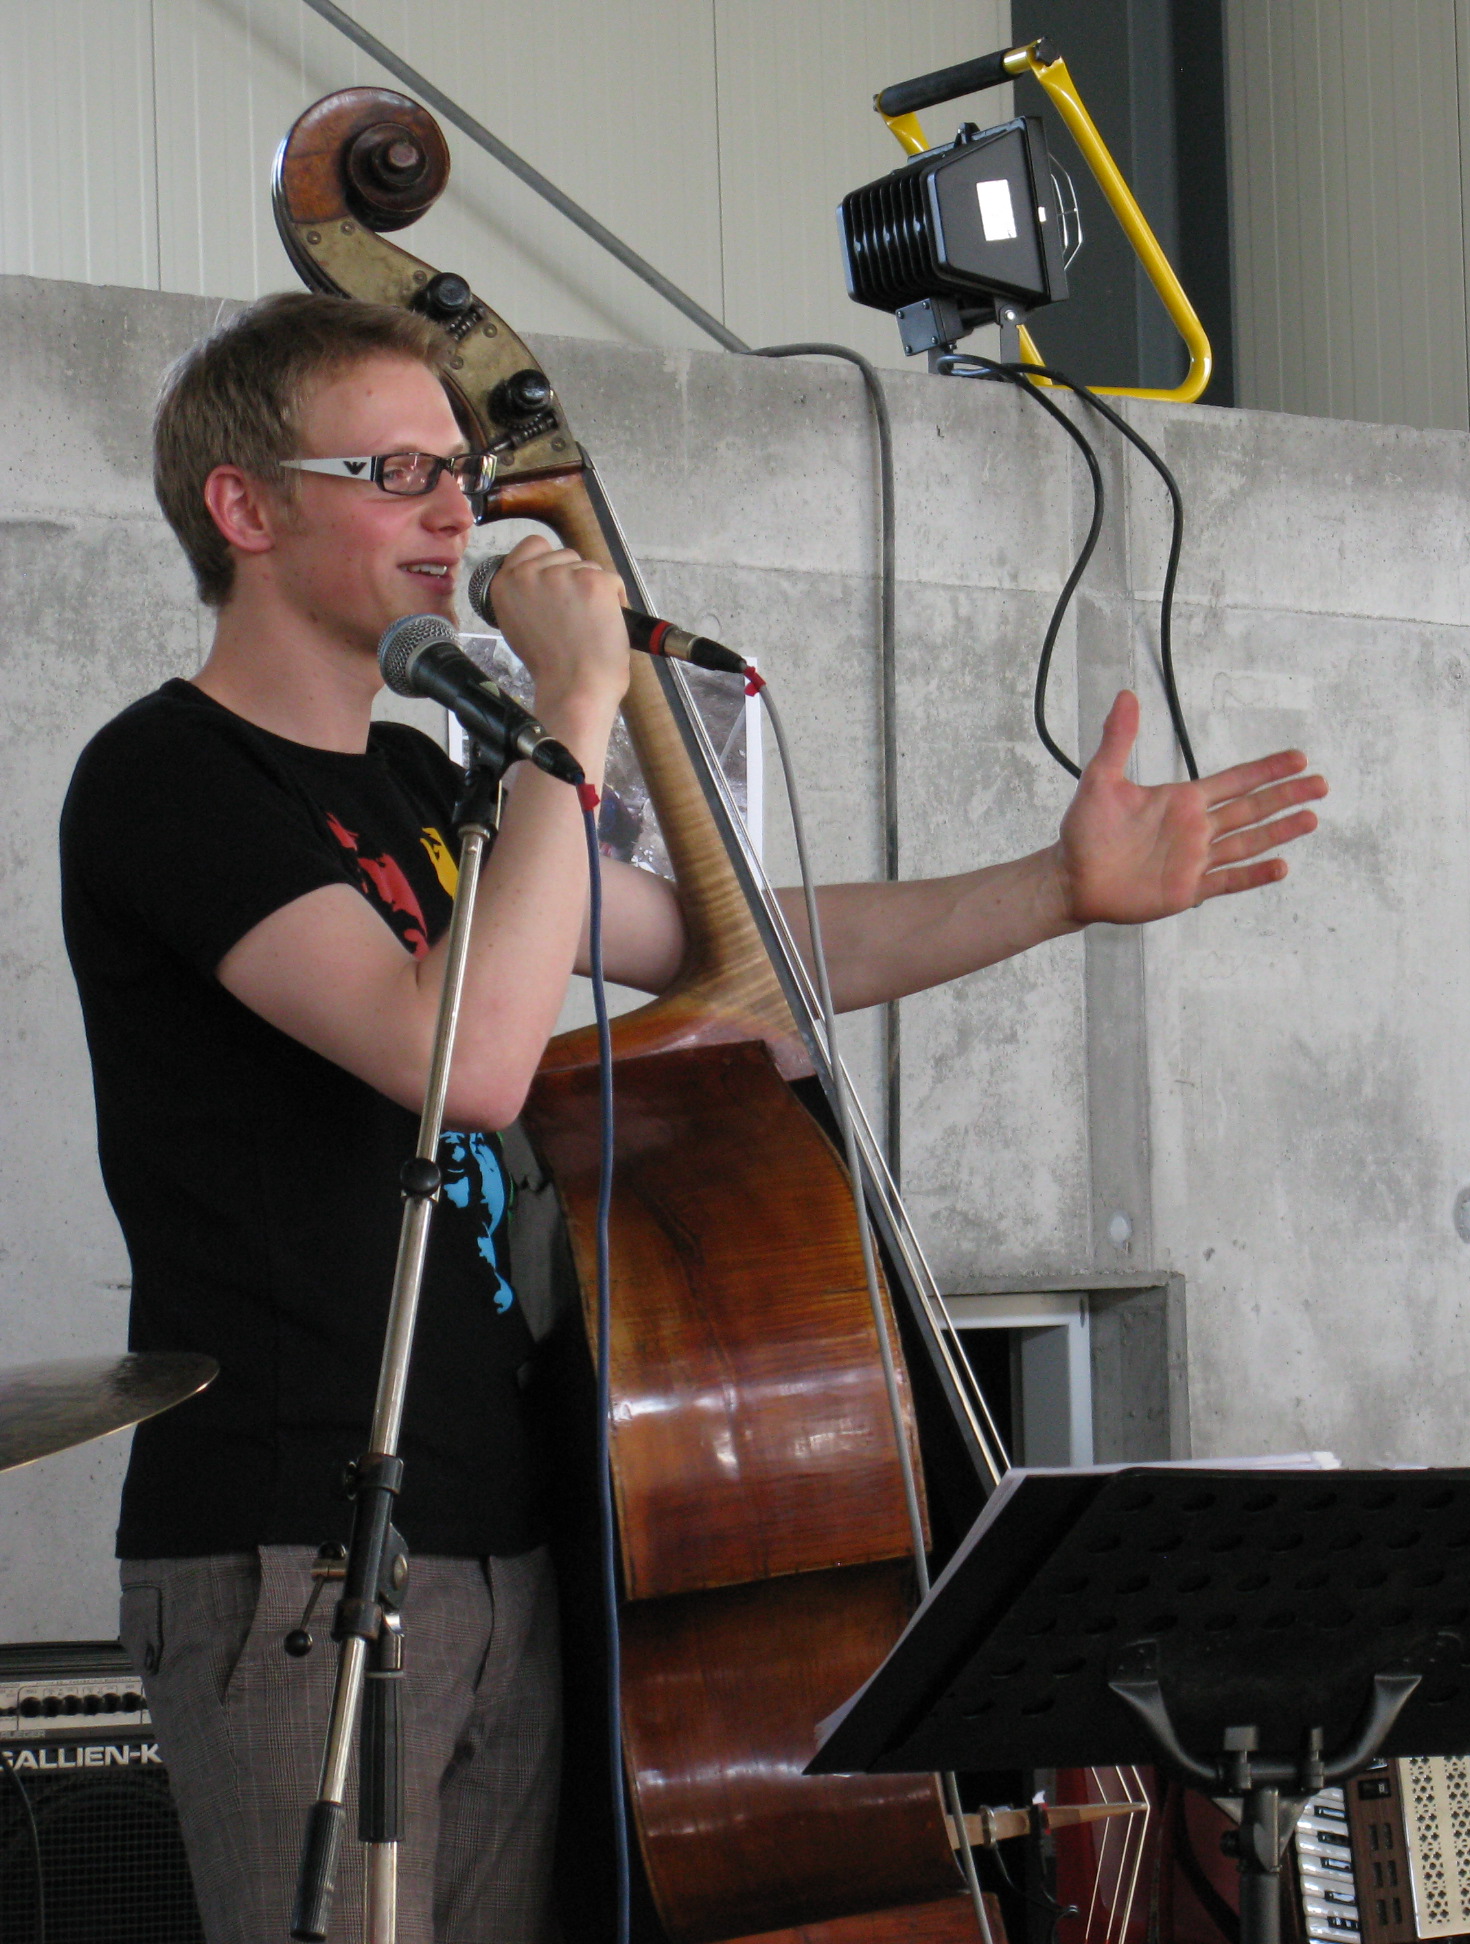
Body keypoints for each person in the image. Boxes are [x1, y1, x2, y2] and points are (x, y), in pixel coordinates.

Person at [59, 291, 1326, 1944]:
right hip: (299, 1544)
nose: (455, 515)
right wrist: (572, 714)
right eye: (396, 472)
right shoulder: (167, 777)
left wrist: (1057, 889)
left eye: (460, 472)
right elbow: (459, 1057)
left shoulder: (427, 784)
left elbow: (741, 957)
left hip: (506, 1528)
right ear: (243, 506)